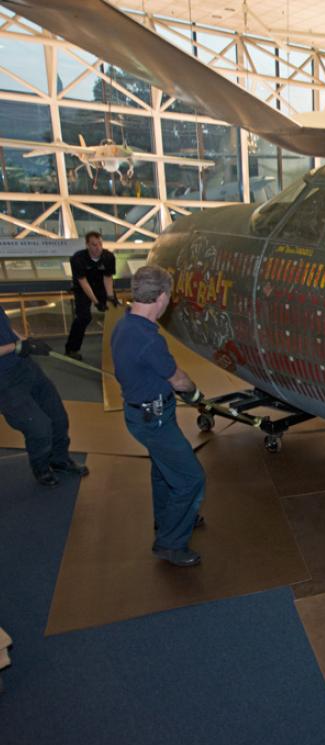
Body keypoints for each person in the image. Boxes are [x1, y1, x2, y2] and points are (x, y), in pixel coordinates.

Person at [111, 265, 205, 567]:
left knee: (163, 469)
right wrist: (194, 393)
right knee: (191, 479)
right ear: (162, 297)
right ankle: (170, 543)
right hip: (155, 420)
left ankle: (167, 518)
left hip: (143, 415)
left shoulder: (124, 325)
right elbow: (177, 379)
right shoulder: (149, 340)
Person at [0, 306, 89, 486]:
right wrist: (15, 347)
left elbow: (5, 327)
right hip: (4, 380)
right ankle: (41, 468)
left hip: (25, 367)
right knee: (39, 427)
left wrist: (25, 341)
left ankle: (59, 460)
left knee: (58, 417)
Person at [65, 231, 118, 360]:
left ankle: (119, 347)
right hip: (83, 289)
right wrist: (96, 302)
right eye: (94, 245)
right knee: (83, 317)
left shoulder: (109, 257)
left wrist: (110, 297)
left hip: (101, 287)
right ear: (87, 245)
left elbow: (107, 278)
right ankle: (72, 349)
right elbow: (83, 282)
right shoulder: (77, 259)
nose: (98, 247)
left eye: (100, 244)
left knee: (116, 312)